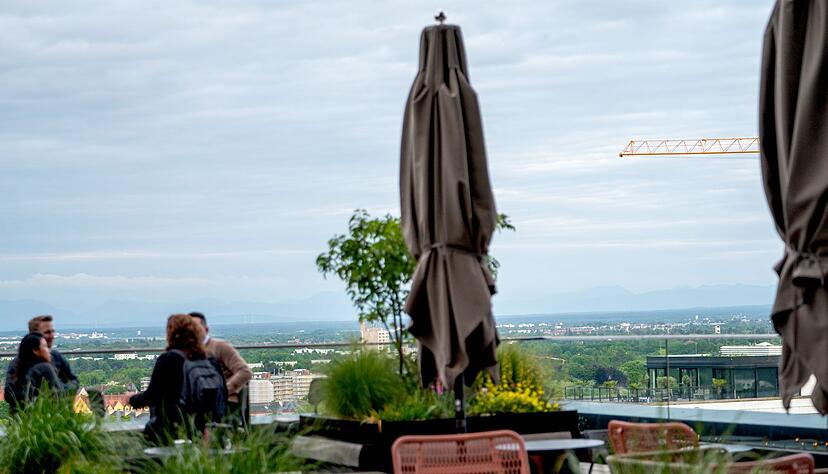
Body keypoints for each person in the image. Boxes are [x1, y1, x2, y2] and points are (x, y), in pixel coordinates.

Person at [129, 314, 216, 444]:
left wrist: (132, 400)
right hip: (201, 427)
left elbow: (152, 396)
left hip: (172, 428)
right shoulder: (208, 359)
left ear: (170, 333)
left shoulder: (168, 359)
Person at [4, 315, 78, 413]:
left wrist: (64, 389)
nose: (52, 335)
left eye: (52, 331)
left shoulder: (56, 357)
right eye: (47, 332)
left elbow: (74, 381)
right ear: (34, 335)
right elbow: (10, 394)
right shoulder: (18, 364)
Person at [189, 312, 252, 425]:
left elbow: (245, 372)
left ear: (206, 329)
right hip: (196, 404)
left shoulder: (219, 347)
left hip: (224, 403)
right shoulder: (185, 352)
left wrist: (223, 391)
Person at [12, 332, 67, 407]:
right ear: (35, 350)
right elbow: (60, 394)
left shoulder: (20, 369)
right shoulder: (44, 368)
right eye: (45, 347)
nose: (49, 350)